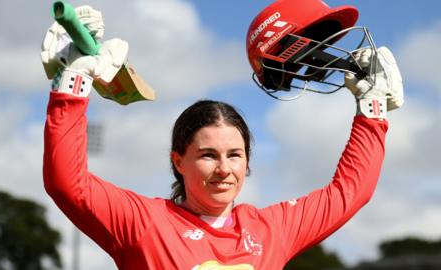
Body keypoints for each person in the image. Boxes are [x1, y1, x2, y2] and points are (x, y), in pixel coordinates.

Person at [42, 4, 403, 270]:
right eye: (208, 155)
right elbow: (66, 183)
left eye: (234, 155)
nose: (223, 169)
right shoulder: (145, 223)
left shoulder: (271, 229)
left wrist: (372, 110)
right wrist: (73, 83)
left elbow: (350, 192)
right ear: (177, 160)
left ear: (247, 163)